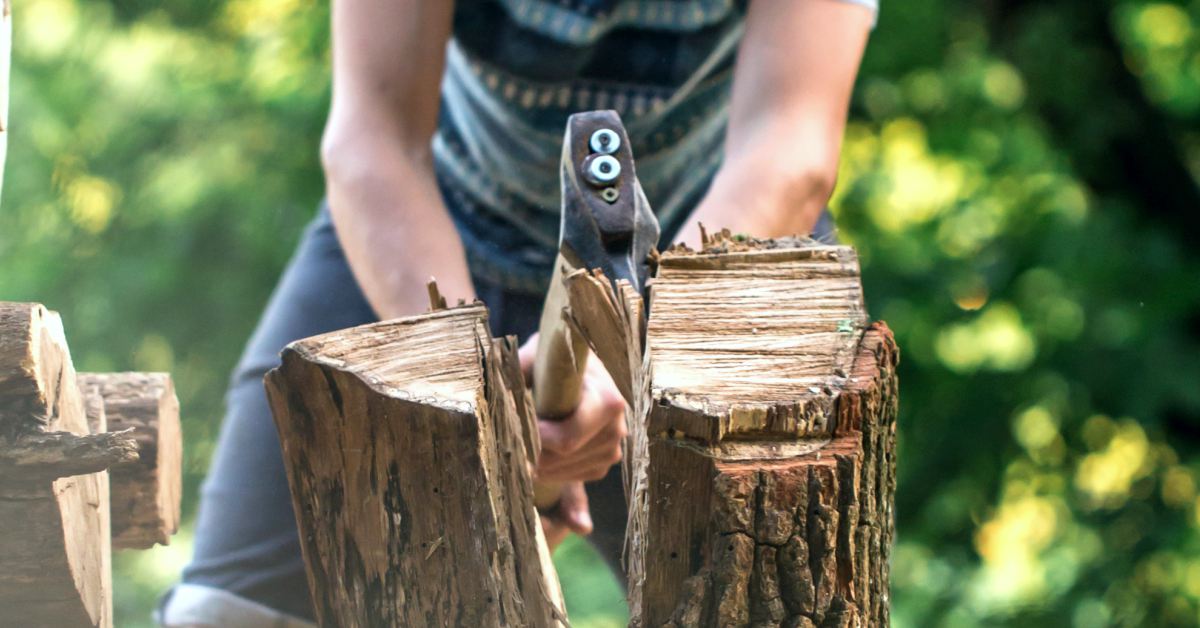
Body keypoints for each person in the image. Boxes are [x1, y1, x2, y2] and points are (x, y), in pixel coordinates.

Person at [159, 0, 876, 625]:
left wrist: (633, 353)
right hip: (428, 232)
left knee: (785, 606)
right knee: (228, 615)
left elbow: (789, 152)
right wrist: (471, 389)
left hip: (718, 253)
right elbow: (372, 137)